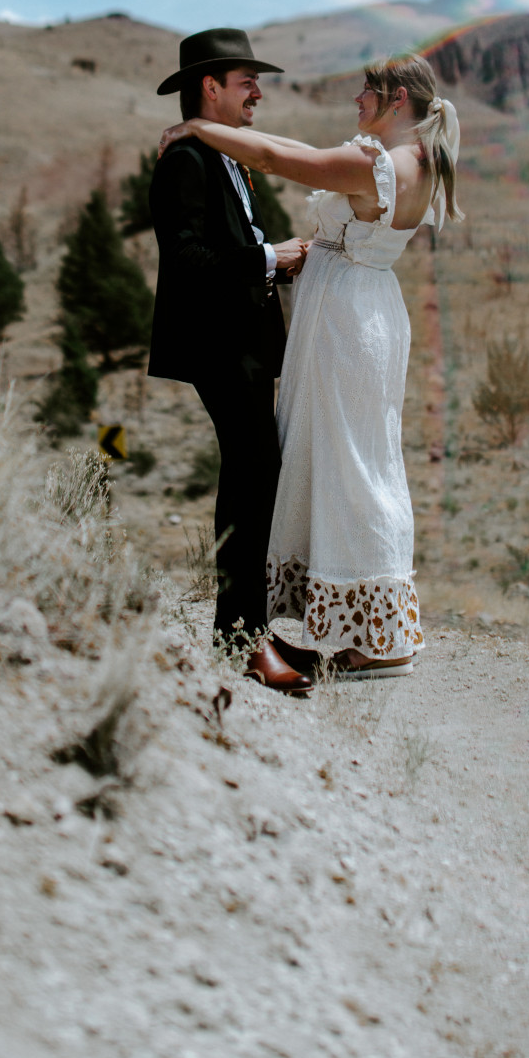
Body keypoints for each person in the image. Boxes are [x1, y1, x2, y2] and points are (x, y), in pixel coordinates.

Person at [158, 51, 460, 678]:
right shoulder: (418, 162)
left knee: (351, 464)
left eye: (367, 94)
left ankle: (377, 639)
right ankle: (373, 629)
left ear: (397, 99)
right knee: (363, 460)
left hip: (347, 322)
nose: (357, 102)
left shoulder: (376, 163)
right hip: (365, 312)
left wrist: (196, 128)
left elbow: (273, 157)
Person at [148, 28, 314, 696]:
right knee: (249, 483)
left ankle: (247, 632)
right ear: (211, 87)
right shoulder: (185, 162)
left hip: (245, 343)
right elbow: (185, 260)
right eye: (248, 81)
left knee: (257, 482)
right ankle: (242, 642)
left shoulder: (223, 156)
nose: (259, 93)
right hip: (219, 345)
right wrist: (271, 257)